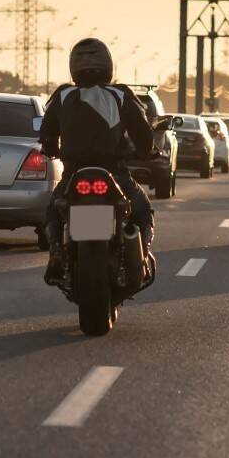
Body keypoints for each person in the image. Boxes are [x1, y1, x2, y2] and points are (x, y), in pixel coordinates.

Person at [39, 37, 156, 285]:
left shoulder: (62, 95)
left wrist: (51, 150)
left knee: (53, 211)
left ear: (73, 67)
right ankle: (141, 258)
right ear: (108, 65)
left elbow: (47, 134)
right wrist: (147, 152)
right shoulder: (121, 94)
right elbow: (142, 133)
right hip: (114, 172)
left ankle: (57, 254)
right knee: (142, 211)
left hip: (74, 173)